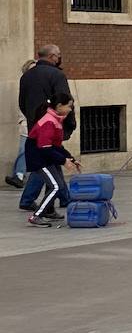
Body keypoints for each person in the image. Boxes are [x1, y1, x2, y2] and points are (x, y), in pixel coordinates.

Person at [18, 45, 76, 212]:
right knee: (46, 159)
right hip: (53, 124)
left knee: (48, 160)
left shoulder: (26, 76)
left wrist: (32, 118)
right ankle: (32, 199)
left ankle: (63, 197)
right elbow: (65, 101)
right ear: (52, 57)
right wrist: (69, 123)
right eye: (58, 56)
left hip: (34, 124)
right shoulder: (57, 75)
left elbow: (22, 102)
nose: (59, 59)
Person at [24, 91, 80, 227]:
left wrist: (70, 158)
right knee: (55, 186)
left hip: (46, 157)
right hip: (39, 159)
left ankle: (48, 210)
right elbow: (44, 147)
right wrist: (63, 161)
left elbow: (56, 145)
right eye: (69, 106)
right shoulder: (49, 121)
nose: (70, 109)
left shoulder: (55, 120)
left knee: (58, 185)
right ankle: (36, 216)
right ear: (59, 106)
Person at [6, 58, 37, 189]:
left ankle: (25, 176)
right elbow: (22, 103)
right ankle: (19, 175)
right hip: (27, 121)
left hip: (40, 122)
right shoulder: (25, 84)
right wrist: (22, 120)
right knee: (23, 149)